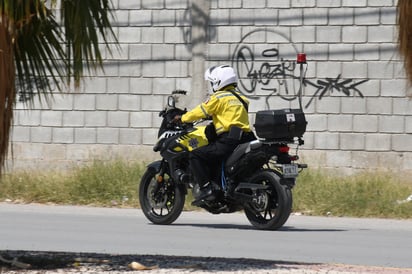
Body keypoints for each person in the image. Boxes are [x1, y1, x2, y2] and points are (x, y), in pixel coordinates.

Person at [175, 65, 256, 203]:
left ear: (219, 81)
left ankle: (207, 189)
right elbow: (230, 115)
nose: (212, 85)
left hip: (229, 140)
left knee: (195, 154)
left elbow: (200, 110)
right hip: (247, 137)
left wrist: (182, 118)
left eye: (212, 82)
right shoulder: (242, 98)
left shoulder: (218, 97)